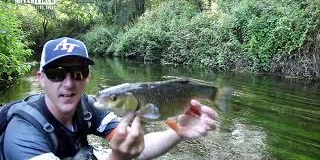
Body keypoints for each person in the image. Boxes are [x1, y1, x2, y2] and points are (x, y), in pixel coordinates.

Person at [1, 37, 217, 159]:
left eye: (78, 72)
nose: (68, 83)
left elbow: (134, 147)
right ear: (40, 78)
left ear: (87, 78)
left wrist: (177, 132)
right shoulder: (23, 135)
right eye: (56, 73)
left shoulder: (86, 108)